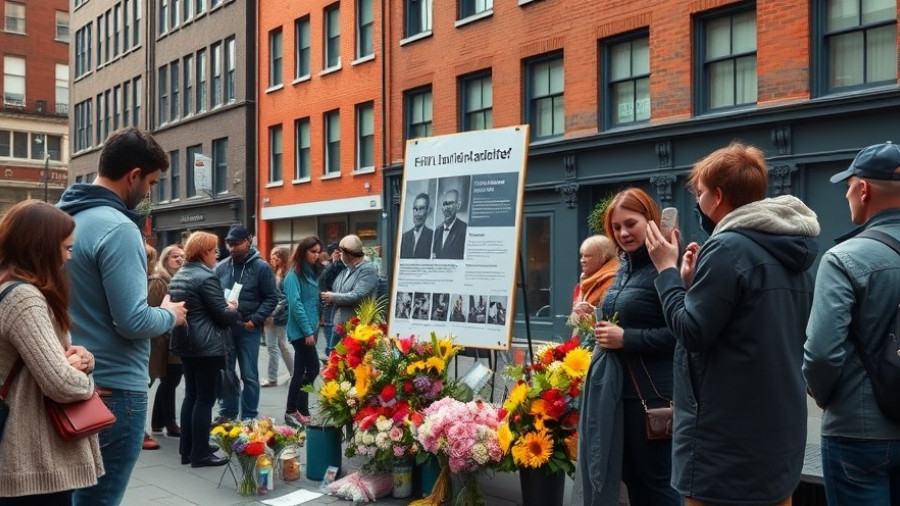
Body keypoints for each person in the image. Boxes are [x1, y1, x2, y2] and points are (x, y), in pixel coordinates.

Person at [645, 143, 820, 505]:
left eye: (700, 193)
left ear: (718, 195)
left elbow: (692, 332)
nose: (699, 201)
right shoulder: (789, 250)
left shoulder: (726, 248)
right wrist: (693, 287)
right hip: (778, 436)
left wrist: (666, 272)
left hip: (724, 442)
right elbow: (748, 325)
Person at [57, 127, 187, 506]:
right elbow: (132, 321)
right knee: (99, 499)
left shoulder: (61, 221)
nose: (149, 192)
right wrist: (169, 314)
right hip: (114, 390)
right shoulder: (119, 229)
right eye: (151, 182)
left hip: (67, 382)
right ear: (133, 176)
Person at [804, 142, 900, 504]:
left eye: (848, 184)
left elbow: (822, 353)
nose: (845, 193)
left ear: (864, 189)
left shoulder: (844, 257)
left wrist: (827, 397)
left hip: (857, 432)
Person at [579, 188, 680, 506]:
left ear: (650, 219)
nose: (623, 233)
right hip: (620, 393)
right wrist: (592, 316)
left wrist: (627, 338)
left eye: (630, 224)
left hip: (653, 397)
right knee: (633, 480)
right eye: (616, 227)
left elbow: (681, 335)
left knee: (658, 483)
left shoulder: (665, 264)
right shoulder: (625, 265)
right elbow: (626, 314)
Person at [0, 200, 104, 505]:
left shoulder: (8, 288)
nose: (69, 256)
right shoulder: (24, 298)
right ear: (42, 247)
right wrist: (85, 377)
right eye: (66, 247)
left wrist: (83, 357)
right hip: (31, 461)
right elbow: (61, 384)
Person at [168, 232, 239, 468]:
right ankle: (199, 453)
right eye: (215, 250)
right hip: (207, 346)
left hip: (186, 342)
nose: (217, 255)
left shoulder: (180, 274)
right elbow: (222, 315)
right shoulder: (206, 277)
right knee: (205, 400)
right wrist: (232, 307)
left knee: (191, 395)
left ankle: (188, 449)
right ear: (204, 252)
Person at [214, 225, 278, 422]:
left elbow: (272, 297)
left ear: (248, 241)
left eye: (236, 244)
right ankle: (227, 413)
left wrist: (255, 320)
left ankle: (249, 415)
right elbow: (214, 294)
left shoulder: (261, 267)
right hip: (226, 327)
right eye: (229, 244)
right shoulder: (222, 266)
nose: (232, 248)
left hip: (248, 328)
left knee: (249, 374)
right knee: (227, 372)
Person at [283, 236, 323, 426]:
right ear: (303, 251)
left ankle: (293, 411)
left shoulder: (310, 272)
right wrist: (308, 331)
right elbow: (295, 305)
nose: (317, 255)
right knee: (313, 368)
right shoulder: (293, 275)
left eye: (318, 252)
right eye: (313, 251)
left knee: (299, 372)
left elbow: (310, 301)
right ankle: (297, 409)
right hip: (300, 331)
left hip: (309, 329)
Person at [148, 244, 185, 441]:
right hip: (162, 341)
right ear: (165, 259)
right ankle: (165, 423)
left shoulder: (177, 279)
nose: (179, 260)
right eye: (175, 257)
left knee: (170, 380)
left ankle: (162, 422)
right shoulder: (160, 281)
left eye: (182, 256)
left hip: (172, 338)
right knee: (164, 380)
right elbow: (152, 311)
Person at [321, 235, 378, 333]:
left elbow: (358, 295)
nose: (340, 255)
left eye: (342, 252)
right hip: (340, 325)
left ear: (349, 254)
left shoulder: (368, 269)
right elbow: (331, 285)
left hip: (357, 329)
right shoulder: (348, 268)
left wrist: (333, 297)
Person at [261, 246, 294, 388]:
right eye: (272, 255)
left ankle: (295, 374)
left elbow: (285, 298)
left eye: (276, 256)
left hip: (280, 316)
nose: (273, 258)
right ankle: (272, 378)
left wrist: (271, 314)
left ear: (283, 257)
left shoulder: (288, 274)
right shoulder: (273, 271)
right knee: (271, 347)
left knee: (284, 346)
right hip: (270, 315)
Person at [318, 242, 345, 358]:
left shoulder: (347, 267)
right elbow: (322, 284)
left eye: (340, 251)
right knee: (329, 327)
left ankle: (333, 352)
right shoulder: (328, 267)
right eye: (336, 252)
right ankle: (331, 352)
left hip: (342, 301)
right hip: (329, 302)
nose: (338, 254)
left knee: (338, 329)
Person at [432, 188, 468, 259]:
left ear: (458, 205)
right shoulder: (437, 230)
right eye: (445, 204)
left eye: (451, 203)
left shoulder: (464, 229)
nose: (447, 207)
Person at [400, 193, 434, 259]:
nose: (417, 213)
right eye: (415, 209)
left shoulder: (432, 236)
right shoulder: (405, 237)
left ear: (427, 210)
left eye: (421, 209)